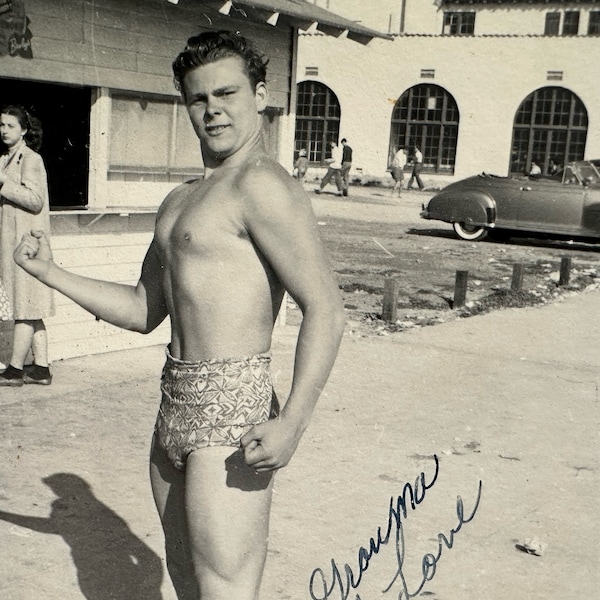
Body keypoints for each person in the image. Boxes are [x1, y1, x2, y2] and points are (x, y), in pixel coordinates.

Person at [14, 30, 346, 600]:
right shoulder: (181, 200)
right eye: (198, 98)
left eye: (227, 93)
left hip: (233, 410)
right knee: (189, 580)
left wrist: (293, 420)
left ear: (261, 95)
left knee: (225, 588)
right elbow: (145, 309)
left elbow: (327, 307)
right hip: (174, 404)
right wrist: (53, 274)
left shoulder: (264, 185)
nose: (213, 109)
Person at [0, 105, 53, 387]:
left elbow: (35, 200)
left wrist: (3, 184)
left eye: (10, 126)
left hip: (28, 245)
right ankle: (42, 368)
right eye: (1, 125)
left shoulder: (30, 159)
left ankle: (15, 370)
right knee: (33, 307)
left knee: (24, 307)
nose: (3, 130)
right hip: (16, 245)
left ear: (23, 130)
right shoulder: (6, 158)